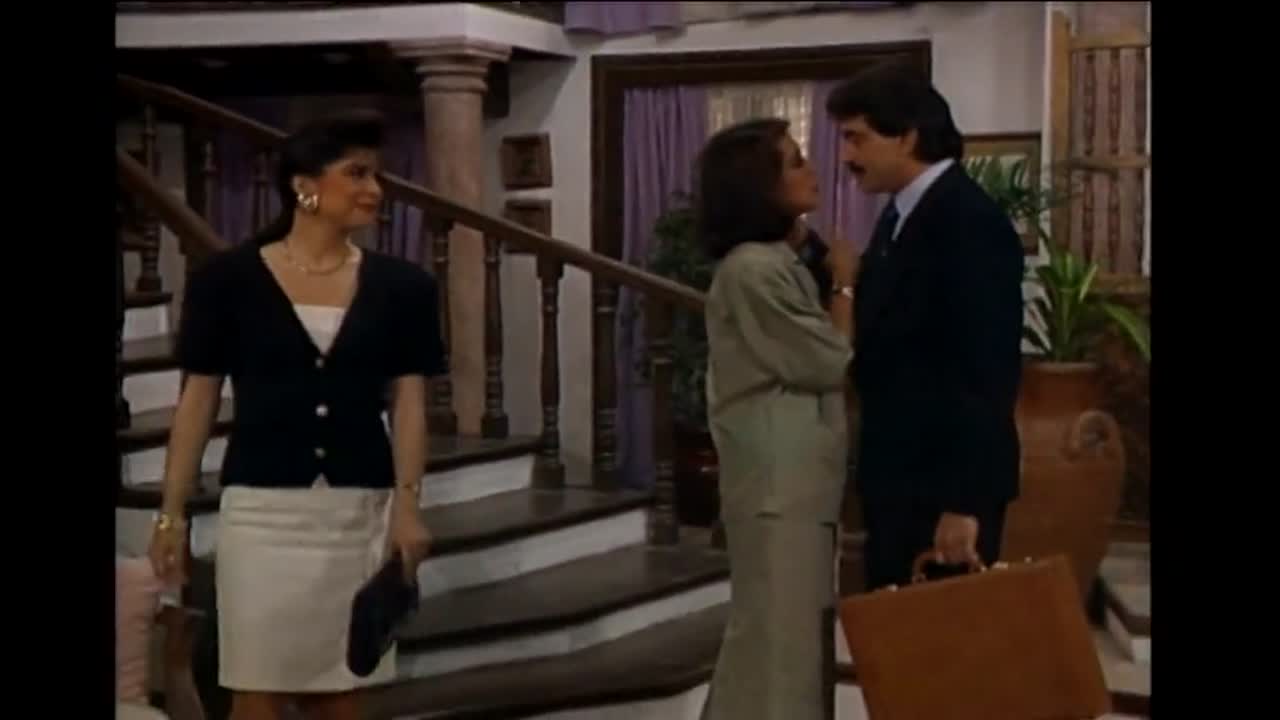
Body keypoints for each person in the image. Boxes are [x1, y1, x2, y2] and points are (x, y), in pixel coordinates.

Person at [147, 111, 446, 720]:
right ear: (304, 186)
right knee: (254, 696)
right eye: (357, 174)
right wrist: (171, 514)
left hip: (357, 514)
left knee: (340, 698)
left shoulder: (404, 287)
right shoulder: (226, 281)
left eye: (377, 175)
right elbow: (197, 402)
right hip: (262, 517)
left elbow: (409, 401)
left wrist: (408, 505)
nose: (374, 189)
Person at [826, 62, 1025, 590]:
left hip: (943, 489)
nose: (847, 156)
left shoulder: (967, 221)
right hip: (899, 477)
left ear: (907, 136)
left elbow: (985, 370)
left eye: (857, 138)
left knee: (942, 638)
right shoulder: (901, 215)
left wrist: (964, 502)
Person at [697, 118, 857, 720]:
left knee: (787, 642)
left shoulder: (772, 261)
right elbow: (827, 359)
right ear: (758, 186)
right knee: (775, 648)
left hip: (795, 484)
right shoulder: (752, 269)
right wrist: (844, 287)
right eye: (794, 162)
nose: (811, 170)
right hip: (776, 486)